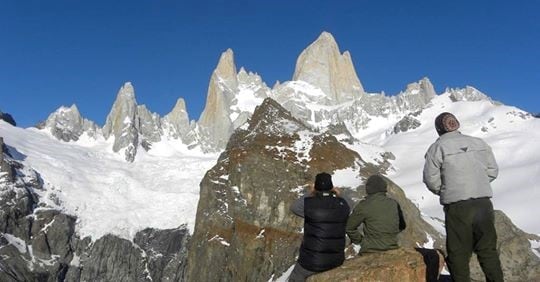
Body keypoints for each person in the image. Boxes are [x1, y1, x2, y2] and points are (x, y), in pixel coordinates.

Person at [423, 112, 503, 282]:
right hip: (483, 203)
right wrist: (478, 183)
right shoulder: (479, 142)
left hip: (457, 206)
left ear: (439, 129)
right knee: (488, 250)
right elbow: (493, 170)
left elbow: (430, 179)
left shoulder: (437, 147)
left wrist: (446, 189)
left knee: (459, 253)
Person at [288, 172, 350, 282]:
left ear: (316, 187)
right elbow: (347, 207)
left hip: (311, 263)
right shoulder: (342, 205)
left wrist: (310, 192)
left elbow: (294, 207)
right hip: (336, 261)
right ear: (331, 187)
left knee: (295, 278)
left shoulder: (310, 205)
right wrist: (338, 195)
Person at [346, 174, 406, 254]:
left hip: (370, 249)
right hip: (392, 247)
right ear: (384, 188)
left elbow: (349, 227)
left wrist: (361, 241)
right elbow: (402, 226)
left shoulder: (364, 205)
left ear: (368, 189)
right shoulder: (394, 203)